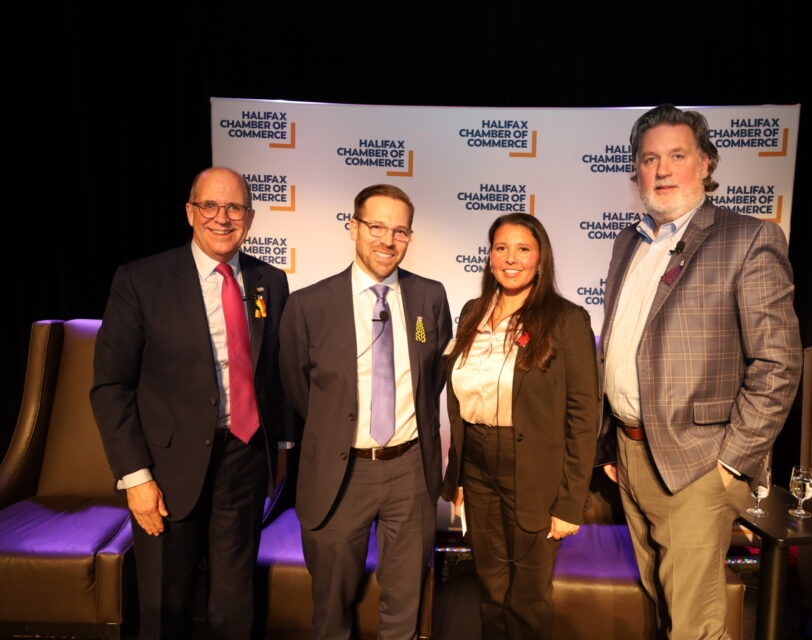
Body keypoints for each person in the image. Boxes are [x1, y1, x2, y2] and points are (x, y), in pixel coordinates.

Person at [597, 105, 802, 639]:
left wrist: (730, 464)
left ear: (706, 164)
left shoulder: (748, 239)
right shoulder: (628, 242)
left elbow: (778, 364)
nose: (662, 170)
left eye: (677, 156)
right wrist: (612, 447)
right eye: (649, 159)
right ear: (636, 171)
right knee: (662, 609)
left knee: (695, 626)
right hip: (630, 455)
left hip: (698, 467)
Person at [91, 167, 291, 640]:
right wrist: (135, 477)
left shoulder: (270, 282)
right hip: (166, 471)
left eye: (235, 207)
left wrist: (280, 451)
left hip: (244, 460)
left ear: (250, 216)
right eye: (210, 206)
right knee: (166, 607)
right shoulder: (141, 280)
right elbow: (111, 387)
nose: (223, 218)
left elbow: (276, 376)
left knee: (235, 606)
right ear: (190, 212)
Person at [279, 184, 451, 640]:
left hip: (410, 470)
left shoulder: (430, 298)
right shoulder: (307, 305)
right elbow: (299, 391)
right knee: (332, 607)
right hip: (339, 473)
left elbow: (432, 377)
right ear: (353, 226)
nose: (387, 241)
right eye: (376, 227)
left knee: (405, 606)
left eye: (400, 231)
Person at [442, 213, 599, 640]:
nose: (511, 259)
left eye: (523, 249)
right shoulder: (472, 313)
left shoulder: (567, 320)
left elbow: (585, 415)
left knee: (529, 597)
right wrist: (456, 475)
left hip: (533, 470)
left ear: (540, 258)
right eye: (501, 248)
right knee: (490, 587)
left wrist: (570, 502)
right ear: (489, 256)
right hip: (476, 465)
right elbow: (460, 404)